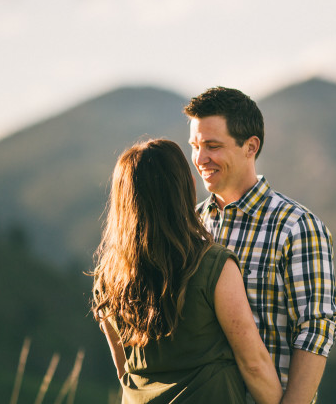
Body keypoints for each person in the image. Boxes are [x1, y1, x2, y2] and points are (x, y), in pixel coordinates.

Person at [90, 139, 283, 404]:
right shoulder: (214, 266)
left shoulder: (108, 278)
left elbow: (124, 369)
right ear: (188, 188)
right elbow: (253, 364)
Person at [184, 87, 336, 404]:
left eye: (213, 146)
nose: (200, 159)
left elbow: (315, 330)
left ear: (250, 147)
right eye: (195, 146)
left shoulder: (297, 227)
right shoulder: (190, 227)